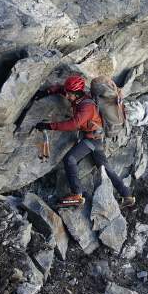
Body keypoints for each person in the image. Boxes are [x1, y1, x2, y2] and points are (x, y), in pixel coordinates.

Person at [33, 75, 135, 209]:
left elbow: (73, 124)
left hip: (92, 139)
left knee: (70, 159)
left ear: (76, 93)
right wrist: (46, 92)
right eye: (67, 93)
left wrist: (49, 126)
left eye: (69, 95)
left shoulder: (86, 107)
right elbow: (60, 89)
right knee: (105, 168)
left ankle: (77, 194)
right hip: (96, 138)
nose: (67, 97)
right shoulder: (77, 95)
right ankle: (127, 195)